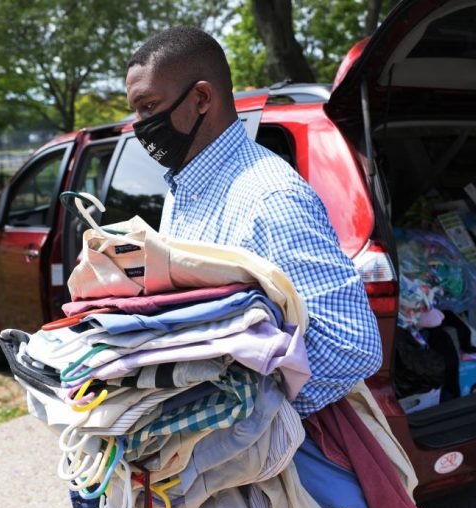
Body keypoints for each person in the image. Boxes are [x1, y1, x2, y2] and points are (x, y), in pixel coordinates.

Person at [125, 26, 382, 417]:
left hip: (272, 456)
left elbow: (351, 347)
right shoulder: (184, 189)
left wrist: (229, 416)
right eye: (135, 110)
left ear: (201, 98)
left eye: (147, 107)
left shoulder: (269, 198)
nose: (138, 124)